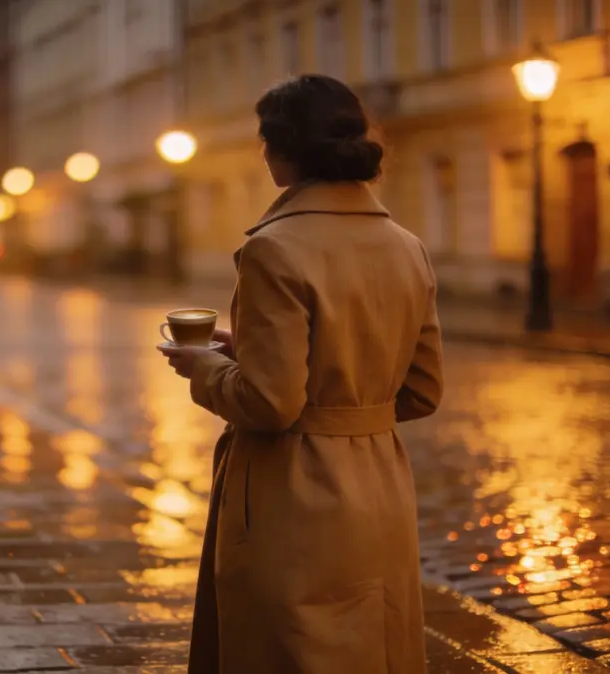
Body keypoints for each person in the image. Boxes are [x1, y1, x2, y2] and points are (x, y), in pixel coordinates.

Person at [158, 75, 444, 674]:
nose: (262, 154)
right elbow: (420, 390)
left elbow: (270, 404)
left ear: (282, 149)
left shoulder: (275, 248)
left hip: (294, 494)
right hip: (381, 490)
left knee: (291, 650)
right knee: (374, 649)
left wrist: (204, 366)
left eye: (265, 141)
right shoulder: (406, 245)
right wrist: (259, 353)